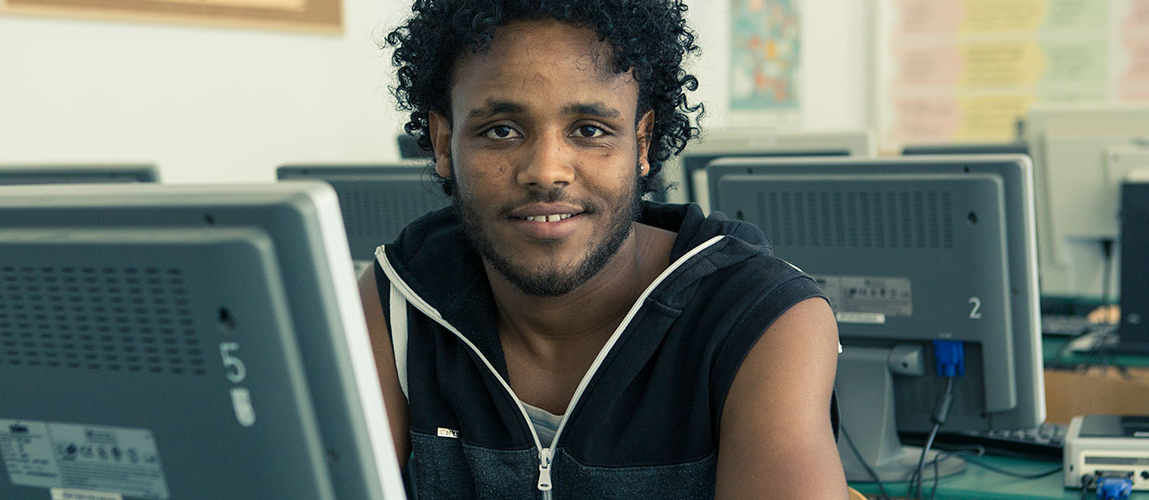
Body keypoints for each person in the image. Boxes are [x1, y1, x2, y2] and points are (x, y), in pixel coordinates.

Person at [358, 0, 847, 497]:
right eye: (501, 130)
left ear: (641, 142)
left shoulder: (760, 316)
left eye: (589, 131)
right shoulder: (398, 299)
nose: (547, 171)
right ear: (443, 144)